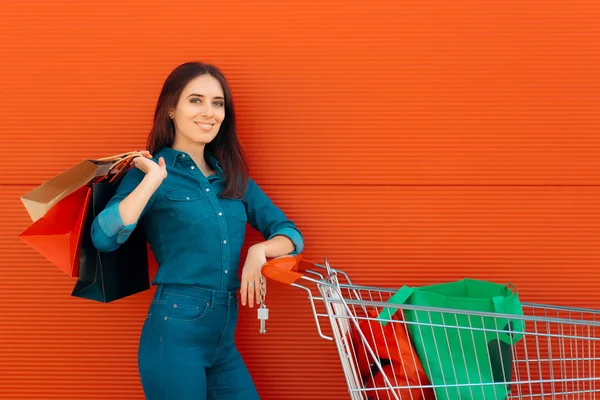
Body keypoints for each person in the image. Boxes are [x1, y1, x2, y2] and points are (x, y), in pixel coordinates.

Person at [91, 61, 304, 399]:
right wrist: (153, 181)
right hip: (174, 334)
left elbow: (290, 233)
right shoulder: (148, 173)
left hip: (223, 339)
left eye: (217, 103)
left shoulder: (231, 177)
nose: (209, 112)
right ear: (171, 109)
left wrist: (259, 251)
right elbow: (103, 237)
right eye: (196, 100)